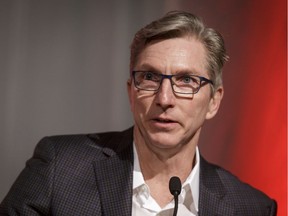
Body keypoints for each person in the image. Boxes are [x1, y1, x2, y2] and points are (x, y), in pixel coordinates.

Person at [0, 11, 277, 216]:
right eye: (149, 77)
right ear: (131, 92)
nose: (164, 98)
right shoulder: (59, 168)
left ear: (213, 102)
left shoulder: (251, 207)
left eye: (187, 81)